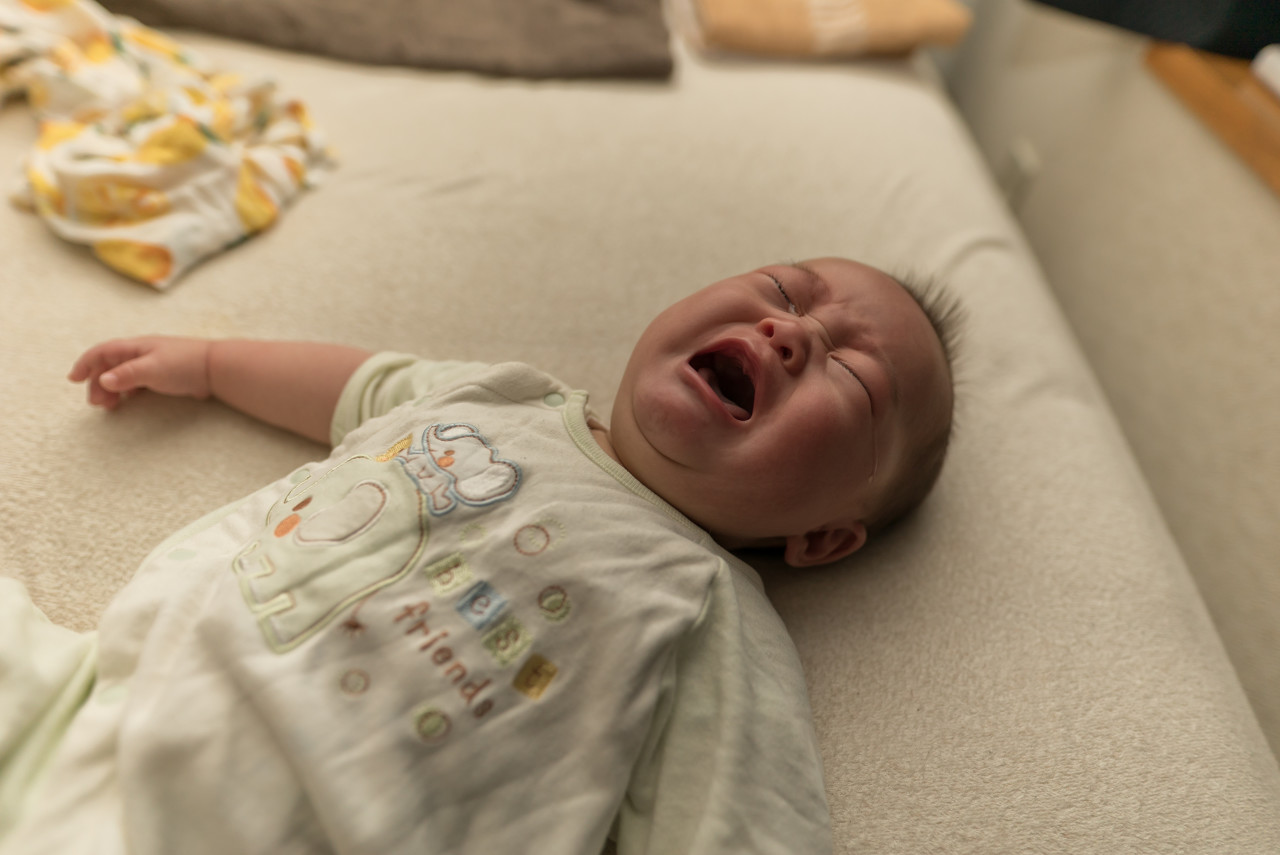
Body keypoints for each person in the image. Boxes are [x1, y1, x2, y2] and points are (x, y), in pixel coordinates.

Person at [0, 257, 960, 855]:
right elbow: (359, 387)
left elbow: (743, 823)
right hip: (112, 696)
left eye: (852, 374)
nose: (791, 330)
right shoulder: (509, 395)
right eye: (784, 290)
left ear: (825, 537)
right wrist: (212, 365)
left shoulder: (707, 608)